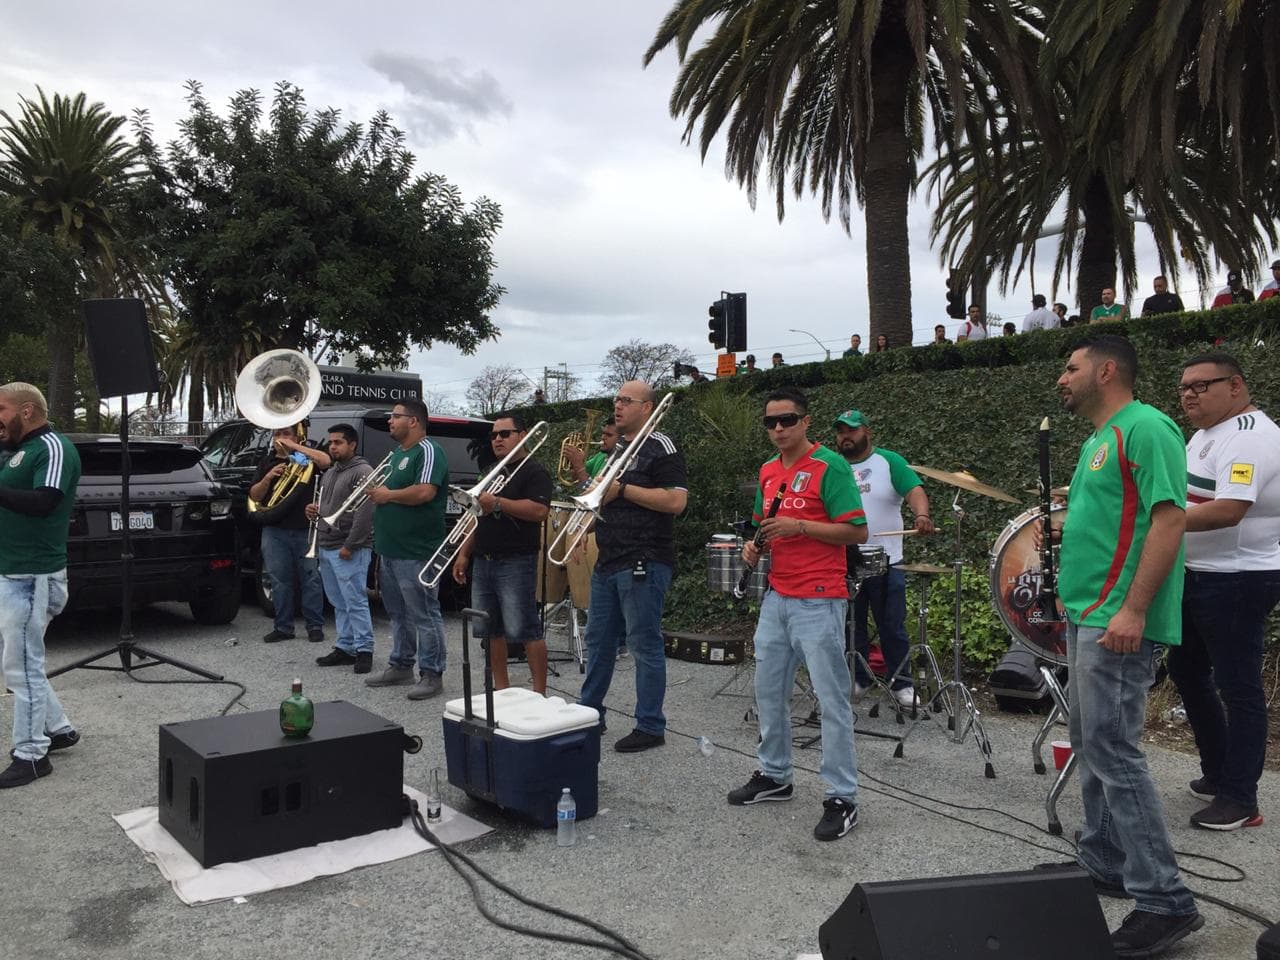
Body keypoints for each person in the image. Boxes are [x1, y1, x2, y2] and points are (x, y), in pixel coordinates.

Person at [1048, 335, 1201, 957]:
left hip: (1116, 617)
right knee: (1090, 743)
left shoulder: (1147, 428)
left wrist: (1133, 609)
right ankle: (1105, 860)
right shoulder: (1098, 439)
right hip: (1091, 613)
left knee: (1114, 751)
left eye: (1071, 368)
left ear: (1107, 371)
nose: (1062, 379)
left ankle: (1165, 901)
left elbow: (1171, 520)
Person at [728, 388, 868, 842]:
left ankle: (842, 796)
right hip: (777, 595)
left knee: (831, 699)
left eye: (787, 419)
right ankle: (775, 774)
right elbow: (760, 527)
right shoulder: (768, 470)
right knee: (768, 691)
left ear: (806, 422)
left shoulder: (830, 466)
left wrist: (800, 526)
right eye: (770, 422)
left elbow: (857, 530)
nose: (778, 428)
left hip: (819, 597)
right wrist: (752, 546)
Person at [1168, 353, 1280, 830]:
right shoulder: (1204, 435)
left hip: (1237, 577)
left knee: (1238, 686)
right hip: (1200, 572)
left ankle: (1240, 799)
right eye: (1183, 387)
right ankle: (1218, 771)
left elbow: (1229, 510)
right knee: (1187, 669)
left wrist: (1152, 524)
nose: (1189, 395)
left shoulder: (1249, 437)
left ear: (1235, 386)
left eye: (1201, 385)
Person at [578, 381, 687, 753]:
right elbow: (603, 499)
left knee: (643, 644)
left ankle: (650, 725)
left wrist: (622, 489)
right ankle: (589, 714)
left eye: (626, 400)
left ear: (648, 407)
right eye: (616, 399)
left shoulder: (661, 446)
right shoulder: (617, 450)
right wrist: (585, 524)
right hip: (608, 561)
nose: (618, 406)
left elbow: (676, 502)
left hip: (644, 559)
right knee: (598, 642)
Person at [0, 383, 81, 789]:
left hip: (33, 576)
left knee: (21, 666)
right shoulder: (18, 450)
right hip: (15, 573)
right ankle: (58, 728)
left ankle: (32, 755)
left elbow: (44, 502)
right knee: (21, 661)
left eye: (1, 410)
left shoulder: (52, 448)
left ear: (27, 410)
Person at [833, 409, 933, 708]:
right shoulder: (832, 465)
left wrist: (922, 514)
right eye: (840, 432)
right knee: (851, 625)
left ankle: (901, 683)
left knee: (892, 625)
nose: (845, 436)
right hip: (845, 560)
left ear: (867, 432)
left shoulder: (889, 461)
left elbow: (915, 491)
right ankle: (859, 678)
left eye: (851, 430)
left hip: (887, 560)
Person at [453, 414, 554, 693]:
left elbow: (539, 511)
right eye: (494, 435)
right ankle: (501, 690)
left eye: (505, 434)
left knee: (526, 629)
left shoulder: (534, 471)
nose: (497, 439)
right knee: (490, 631)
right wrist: (463, 554)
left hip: (516, 560)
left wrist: (498, 502)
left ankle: (539, 693)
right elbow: (476, 516)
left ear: (522, 435)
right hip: (484, 559)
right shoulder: (490, 472)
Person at [365, 399, 449, 700]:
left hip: (416, 551)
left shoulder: (428, 450)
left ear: (413, 421)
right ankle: (401, 665)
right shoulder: (397, 454)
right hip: (390, 549)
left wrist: (387, 495)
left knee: (424, 614)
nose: (390, 421)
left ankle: (432, 673)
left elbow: (425, 492)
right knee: (398, 614)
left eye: (395, 416)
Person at [248, 420, 331, 643]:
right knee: (279, 580)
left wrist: (296, 448)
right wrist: (268, 477)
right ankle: (283, 627)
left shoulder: (308, 459)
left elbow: (326, 461)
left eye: (286, 433)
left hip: (305, 529)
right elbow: (254, 495)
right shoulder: (267, 461)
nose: (280, 438)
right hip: (274, 530)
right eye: (277, 434)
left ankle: (315, 626)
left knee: (311, 579)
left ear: (297, 436)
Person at [309, 424, 376, 675]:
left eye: (338, 442)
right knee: (338, 601)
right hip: (327, 544)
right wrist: (313, 511)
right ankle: (345, 646)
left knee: (355, 601)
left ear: (352, 445)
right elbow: (328, 506)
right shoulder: (330, 473)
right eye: (331, 442)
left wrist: (351, 545)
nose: (332, 447)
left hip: (348, 547)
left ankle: (364, 650)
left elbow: (365, 513)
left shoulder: (363, 471)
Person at [564, 417, 618, 486]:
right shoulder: (601, 455)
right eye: (603, 433)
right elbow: (576, 478)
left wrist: (578, 464)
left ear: (621, 439)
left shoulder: (618, 463)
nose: (603, 437)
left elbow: (592, 488)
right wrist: (572, 461)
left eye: (609, 435)